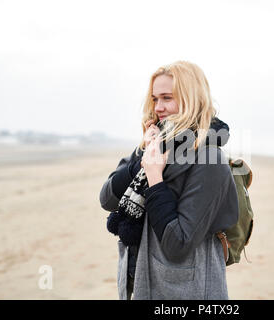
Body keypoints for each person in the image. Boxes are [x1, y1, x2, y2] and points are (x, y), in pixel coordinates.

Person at [99, 60, 239, 300]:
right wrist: (142, 158)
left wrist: (155, 179)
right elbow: (107, 198)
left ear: (191, 99)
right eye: (155, 99)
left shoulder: (209, 158)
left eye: (167, 98)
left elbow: (178, 244)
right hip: (142, 284)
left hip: (188, 293)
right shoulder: (153, 145)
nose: (158, 107)